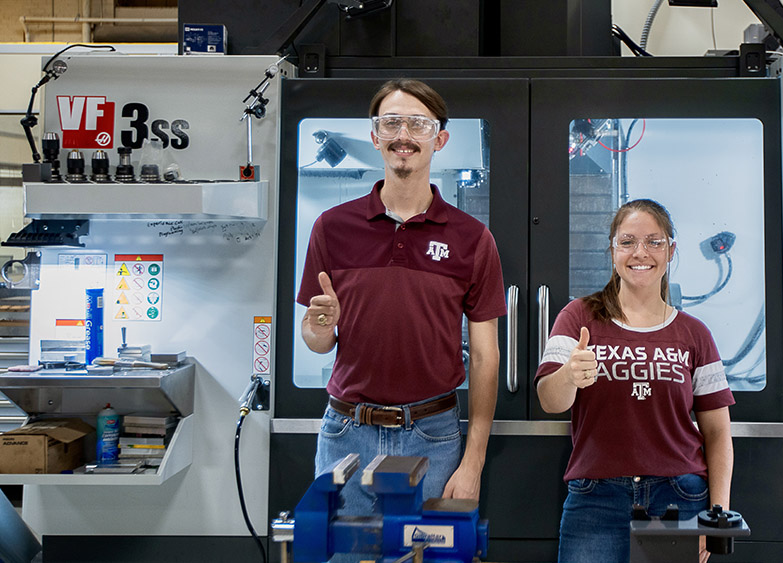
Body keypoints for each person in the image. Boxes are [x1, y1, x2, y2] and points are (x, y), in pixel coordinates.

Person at [296, 79, 506, 543]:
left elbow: (487, 358)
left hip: (434, 435)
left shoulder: (472, 239)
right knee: (343, 557)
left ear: (440, 138)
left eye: (418, 123)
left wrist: (473, 463)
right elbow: (318, 340)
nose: (403, 134)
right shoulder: (332, 228)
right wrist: (317, 326)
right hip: (345, 434)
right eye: (391, 122)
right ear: (375, 136)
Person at [535, 199, 734, 563]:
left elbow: (718, 432)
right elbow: (550, 400)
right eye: (627, 242)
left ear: (671, 250)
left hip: (679, 495)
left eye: (654, 242)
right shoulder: (578, 317)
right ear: (612, 250)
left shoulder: (694, 334)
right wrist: (569, 375)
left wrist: (717, 513)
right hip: (595, 498)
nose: (640, 253)